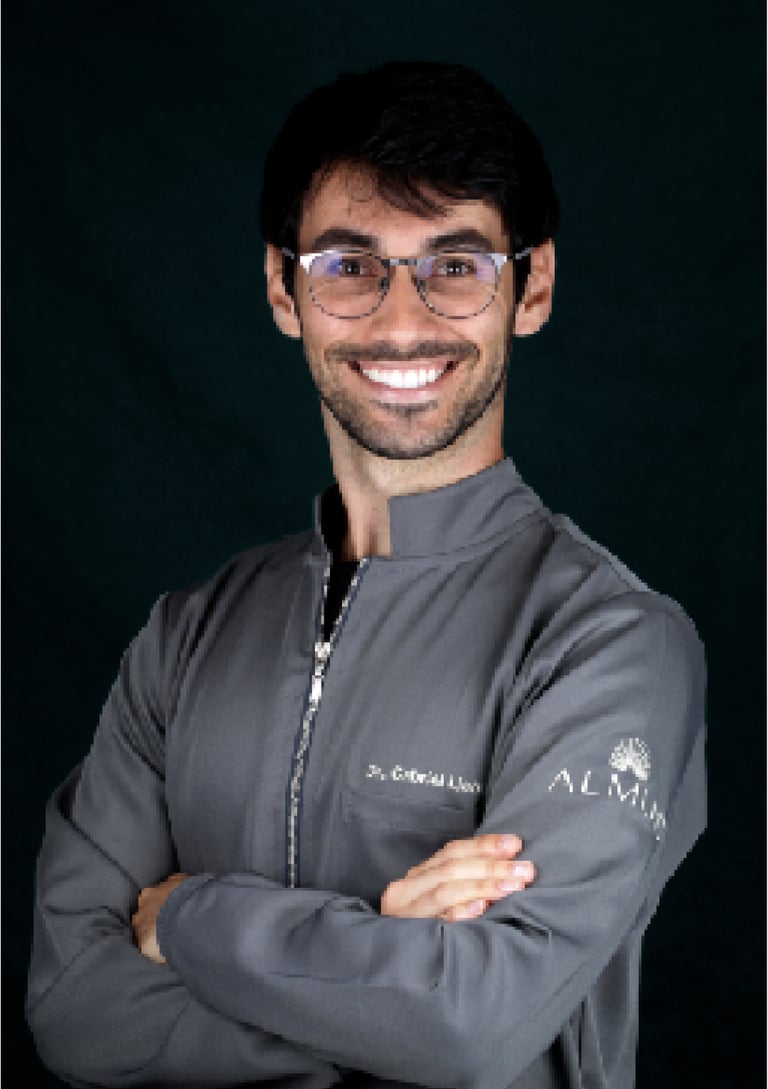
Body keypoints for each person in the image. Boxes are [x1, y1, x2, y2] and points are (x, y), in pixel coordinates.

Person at [27, 62, 706, 1089]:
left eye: (456, 265)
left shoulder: (610, 644)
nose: (399, 322)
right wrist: (379, 964)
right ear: (282, 287)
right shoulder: (185, 637)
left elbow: (472, 1026)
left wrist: (188, 917)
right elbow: (71, 1008)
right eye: (349, 265)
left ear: (532, 287)